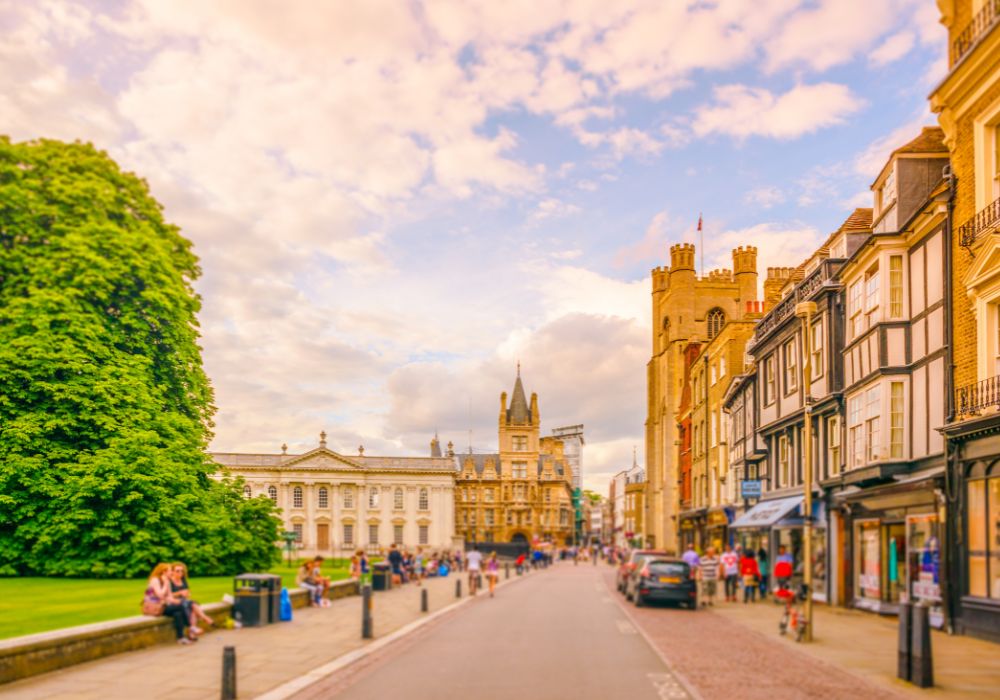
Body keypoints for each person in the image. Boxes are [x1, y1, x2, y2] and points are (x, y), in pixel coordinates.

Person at [143, 563, 194, 644]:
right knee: (182, 606)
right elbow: (160, 595)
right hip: (154, 608)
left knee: (178, 613)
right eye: (170, 571)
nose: (171, 573)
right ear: (164, 572)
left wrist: (179, 601)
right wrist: (166, 583)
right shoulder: (155, 580)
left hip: (163, 606)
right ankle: (191, 627)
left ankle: (181, 638)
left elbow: (170, 597)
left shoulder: (167, 580)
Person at [170, 562, 213, 632]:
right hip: (175, 603)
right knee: (192, 605)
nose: (180, 573)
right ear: (172, 572)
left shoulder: (183, 580)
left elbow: (187, 591)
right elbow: (167, 595)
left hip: (185, 601)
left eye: (182, 571)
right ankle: (204, 617)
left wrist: (186, 594)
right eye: (177, 571)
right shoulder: (169, 582)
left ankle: (192, 632)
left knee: (193, 609)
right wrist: (179, 593)